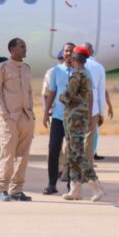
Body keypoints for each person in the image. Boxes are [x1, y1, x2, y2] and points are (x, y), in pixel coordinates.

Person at [0, 38, 35, 202]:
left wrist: (31, 113)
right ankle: (3, 187)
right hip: (10, 118)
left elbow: (29, 92)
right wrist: (4, 114)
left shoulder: (26, 68)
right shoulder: (2, 68)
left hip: (26, 117)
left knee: (23, 156)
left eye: (25, 46)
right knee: (7, 155)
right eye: (22, 47)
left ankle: (17, 189)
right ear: (12, 49)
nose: (25, 50)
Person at [59, 47, 104, 202]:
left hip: (74, 118)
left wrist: (62, 96)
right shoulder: (85, 74)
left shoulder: (77, 75)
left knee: (77, 153)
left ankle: (96, 186)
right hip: (77, 117)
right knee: (71, 152)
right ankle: (75, 188)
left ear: (74, 59)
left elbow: (66, 97)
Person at [42, 44, 74, 195]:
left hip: (75, 118)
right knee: (53, 148)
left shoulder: (82, 71)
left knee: (73, 151)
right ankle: (51, 183)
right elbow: (52, 92)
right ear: (63, 53)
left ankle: (71, 185)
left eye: (71, 51)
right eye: (66, 51)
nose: (68, 53)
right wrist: (45, 112)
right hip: (58, 116)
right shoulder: (56, 71)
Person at [83, 43, 112, 161]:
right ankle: (89, 160)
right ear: (92, 51)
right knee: (91, 136)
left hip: (75, 110)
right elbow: (101, 92)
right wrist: (101, 113)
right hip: (93, 109)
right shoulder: (98, 67)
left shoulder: (73, 65)